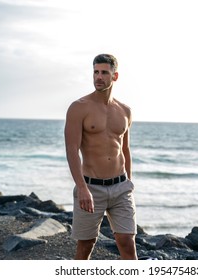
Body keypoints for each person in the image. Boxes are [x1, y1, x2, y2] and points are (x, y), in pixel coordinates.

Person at [64, 54, 137, 260]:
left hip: (121, 187)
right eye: (96, 72)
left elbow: (125, 149)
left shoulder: (125, 111)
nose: (99, 77)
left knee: (127, 243)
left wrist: (129, 183)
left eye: (104, 72)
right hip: (91, 187)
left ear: (115, 76)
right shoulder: (79, 107)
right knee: (86, 245)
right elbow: (71, 150)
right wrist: (82, 187)